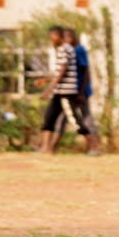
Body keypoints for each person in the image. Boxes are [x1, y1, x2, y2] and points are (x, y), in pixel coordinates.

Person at [38, 25, 79, 154]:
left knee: (78, 120)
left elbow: (62, 71)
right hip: (60, 90)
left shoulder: (64, 49)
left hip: (66, 91)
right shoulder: (65, 49)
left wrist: (48, 90)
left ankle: (93, 145)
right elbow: (59, 72)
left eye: (52, 37)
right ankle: (46, 148)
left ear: (58, 36)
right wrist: (46, 80)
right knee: (49, 118)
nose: (51, 39)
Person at [62, 27, 102, 156]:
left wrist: (81, 92)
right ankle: (91, 145)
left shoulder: (79, 50)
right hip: (73, 90)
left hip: (80, 91)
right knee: (78, 118)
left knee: (86, 118)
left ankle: (96, 147)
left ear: (72, 37)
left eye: (66, 37)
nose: (65, 40)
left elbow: (86, 71)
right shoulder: (71, 51)